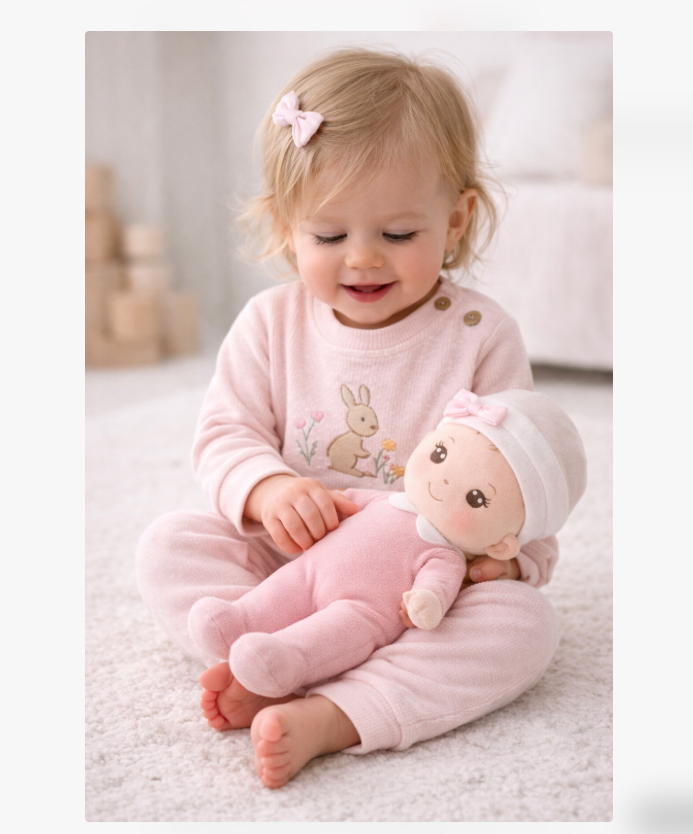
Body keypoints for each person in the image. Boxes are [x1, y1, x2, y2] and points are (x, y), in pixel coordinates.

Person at [136, 48, 563, 790]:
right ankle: (270, 652)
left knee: (523, 626)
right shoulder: (270, 322)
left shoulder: (480, 335)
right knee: (170, 545)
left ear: (455, 220)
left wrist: (507, 561)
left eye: (397, 235)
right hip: (291, 568)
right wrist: (268, 490)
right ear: (285, 226)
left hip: (419, 593)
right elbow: (226, 434)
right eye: (329, 237)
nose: (362, 259)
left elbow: (520, 475)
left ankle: (333, 709)